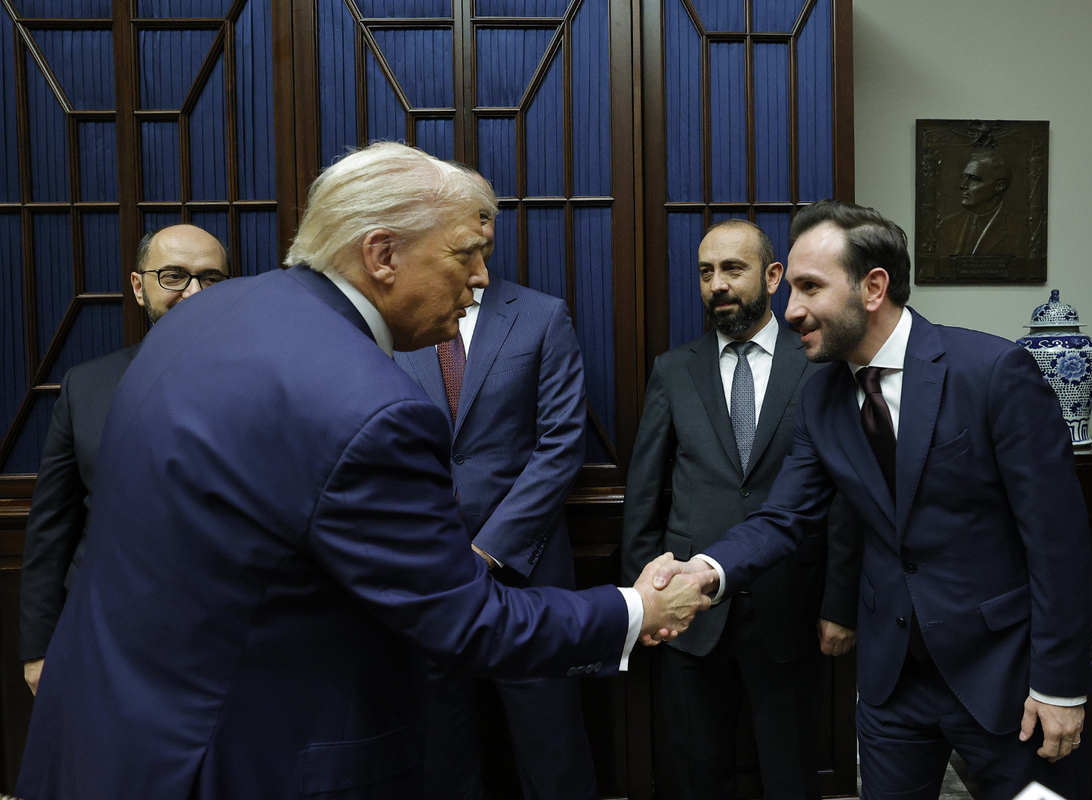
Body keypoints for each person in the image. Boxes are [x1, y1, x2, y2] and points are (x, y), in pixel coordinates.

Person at [15, 142, 713, 800]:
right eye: (465, 254)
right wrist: (638, 609)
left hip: (105, 733)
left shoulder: (210, 315)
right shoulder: (369, 405)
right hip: (232, 756)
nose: (480, 277)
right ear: (382, 255)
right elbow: (469, 621)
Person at [655, 200, 1092, 799]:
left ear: (873, 287)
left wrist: (1060, 686)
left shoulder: (992, 372)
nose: (791, 309)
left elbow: (1058, 545)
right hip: (894, 684)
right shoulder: (821, 399)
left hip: (1006, 676)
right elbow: (784, 517)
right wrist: (707, 571)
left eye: (810, 287)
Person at [621, 219, 860, 800]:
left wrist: (840, 602)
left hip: (791, 605)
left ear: (773, 277)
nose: (718, 284)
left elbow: (846, 495)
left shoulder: (820, 365)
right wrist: (643, 601)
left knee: (790, 771)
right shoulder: (674, 369)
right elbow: (644, 493)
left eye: (733, 269)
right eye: (706, 273)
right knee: (697, 772)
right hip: (688, 611)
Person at [395, 165, 602, 800]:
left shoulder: (541, 316)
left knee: (551, 745)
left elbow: (561, 444)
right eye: (468, 218)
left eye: (487, 217)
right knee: (442, 746)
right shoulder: (397, 321)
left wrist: (489, 549)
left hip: (527, 570)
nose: (481, 230)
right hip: (427, 571)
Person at [18, 223, 230, 696]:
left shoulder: (266, 383)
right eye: (173, 276)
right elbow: (52, 526)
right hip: (105, 637)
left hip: (226, 641)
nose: (193, 292)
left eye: (211, 278)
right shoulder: (86, 386)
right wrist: (38, 649)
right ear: (139, 287)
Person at [937, 149, 1027, 256]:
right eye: (965, 177)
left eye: (974, 179)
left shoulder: (1020, 231)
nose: (963, 185)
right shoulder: (947, 225)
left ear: (999, 187)